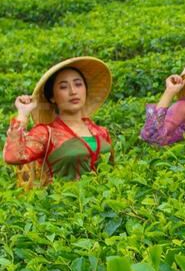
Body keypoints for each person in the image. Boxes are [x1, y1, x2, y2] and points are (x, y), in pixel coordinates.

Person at [3, 56, 113, 185]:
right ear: (52, 97)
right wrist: (22, 113)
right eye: (63, 87)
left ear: (85, 90)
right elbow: (13, 156)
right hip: (65, 202)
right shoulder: (46, 133)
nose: (73, 92)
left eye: (78, 84)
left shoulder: (101, 132)